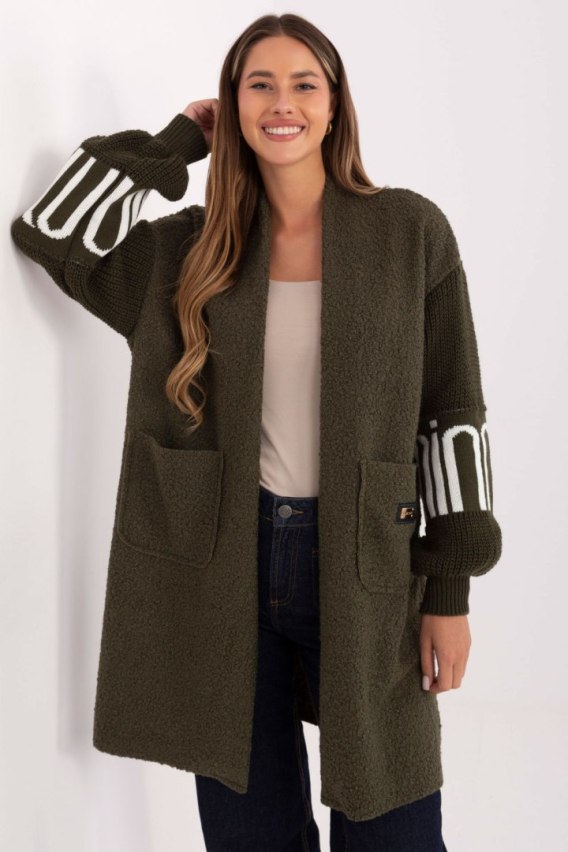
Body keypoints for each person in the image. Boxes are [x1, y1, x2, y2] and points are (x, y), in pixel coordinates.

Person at [10, 12, 502, 852]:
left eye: (304, 84)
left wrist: (448, 590)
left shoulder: (408, 232)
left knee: (394, 825)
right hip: (221, 565)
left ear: (336, 105)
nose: (283, 103)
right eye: (259, 85)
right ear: (233, 104)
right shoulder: (190, 250)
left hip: (366, 564)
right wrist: (177, 142)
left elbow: (453, 412)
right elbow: (53, 231)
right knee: (251, 836)